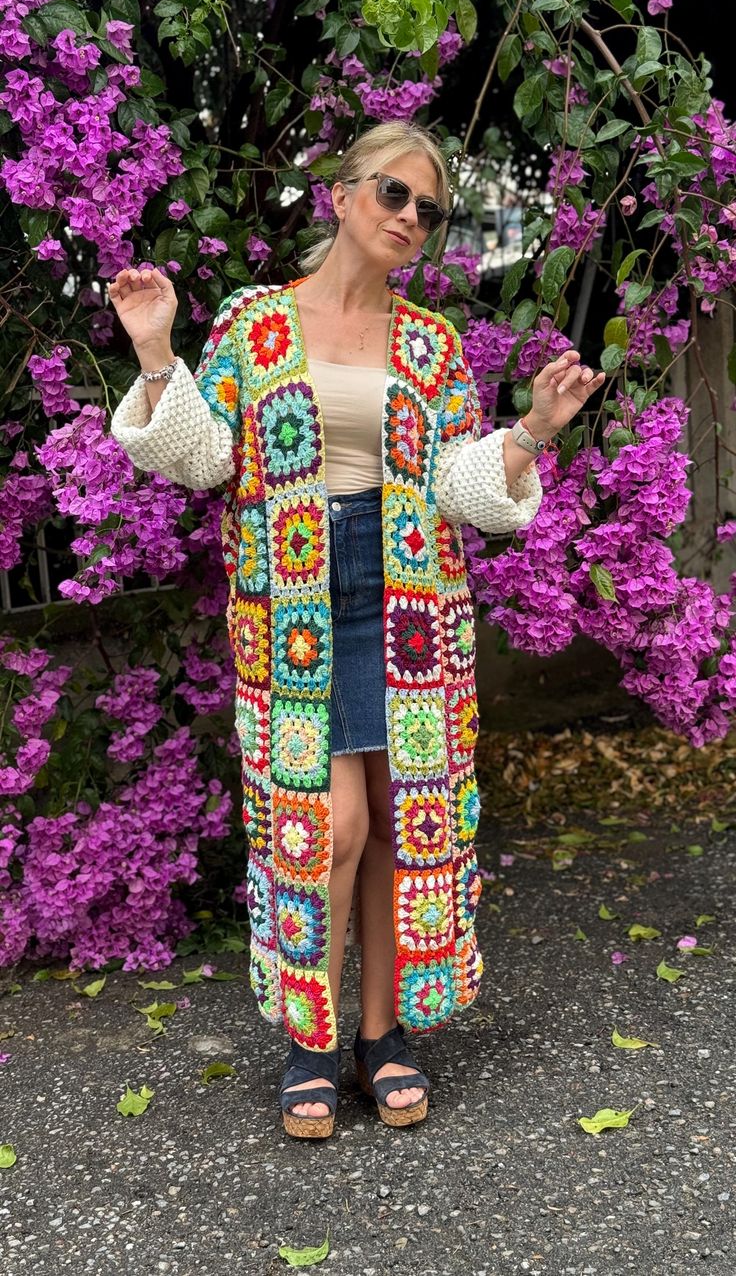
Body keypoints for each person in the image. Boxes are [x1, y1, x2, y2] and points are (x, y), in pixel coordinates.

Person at [108, 119, 604, 1140]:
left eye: (430, 209)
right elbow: (206, 461)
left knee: (396, 823)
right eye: (392, 195)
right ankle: (311, 1038)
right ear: (338, 195)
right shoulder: (258, 326)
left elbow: (459, 487)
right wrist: (157, 351)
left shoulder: (430, 344)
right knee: (325, 826)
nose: (411, 219)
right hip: (290, 604)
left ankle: (383, 1039)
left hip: (409, 598)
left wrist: (529, 436)